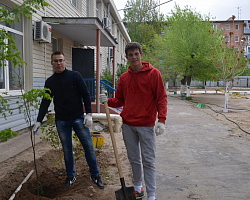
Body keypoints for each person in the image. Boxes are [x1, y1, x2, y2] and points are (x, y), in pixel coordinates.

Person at [100, 42, 167, 200]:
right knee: (134, 159)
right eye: (130, 55)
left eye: (136, 54)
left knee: (148, 160)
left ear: (141, 55)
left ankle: (151, 194)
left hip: (146, 125)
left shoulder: (154, 74)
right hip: (128, 125)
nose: (134, 57)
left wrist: (162, 120)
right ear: (127, 57)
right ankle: (138, 187)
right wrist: (107, 100)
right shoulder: (124, 77)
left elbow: (161, 98)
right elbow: (120, 100)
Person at [33, 51, 104, 189]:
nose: (59, 63)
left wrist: (89, 113)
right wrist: (38, 121)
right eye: (56, 61)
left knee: (89, 147)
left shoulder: (75, 76)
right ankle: (71, 176)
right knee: (67, 149)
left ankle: (95, 175)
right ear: (52, 63)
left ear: (65, 62)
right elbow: (45, 102)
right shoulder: (50, 82)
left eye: (61, 60)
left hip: (78, 118)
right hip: (62, 121)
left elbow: (85, 94)